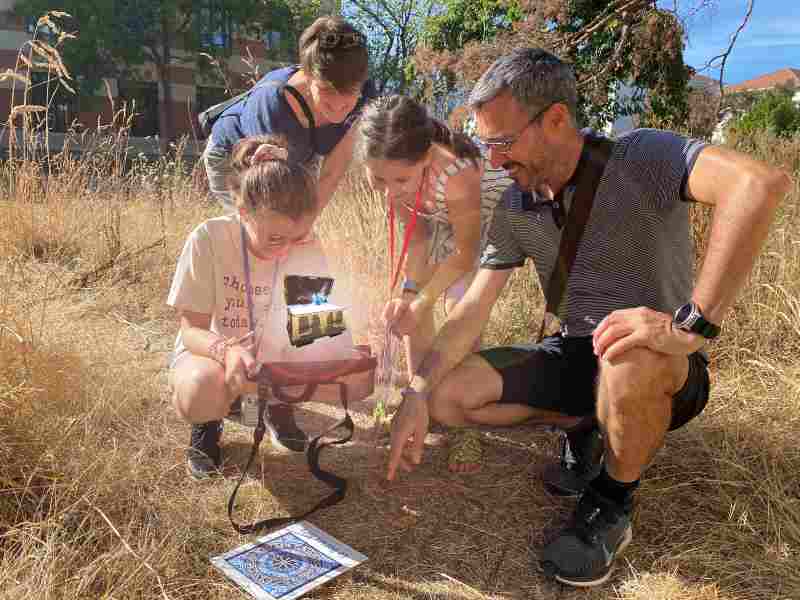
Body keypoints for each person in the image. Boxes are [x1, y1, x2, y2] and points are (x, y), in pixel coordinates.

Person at [385, 48, 790, 587]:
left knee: (625, 350)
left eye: (504, 143)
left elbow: (757, 185)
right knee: (447, 396)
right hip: (576, 350)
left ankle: (611, 502)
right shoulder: (515, 207)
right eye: (488, 145)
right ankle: (587, 426)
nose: (496, 160)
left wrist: (688, 325)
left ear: (555, 119)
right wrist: (414, 392)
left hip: (659, 361)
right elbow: (473, 307)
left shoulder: (641, 155)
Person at [168, 135, 355, 479]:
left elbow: (316, 324)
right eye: (275, 239)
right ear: (244, 213)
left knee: (315, 354)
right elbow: (191, 331)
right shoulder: (209, 238)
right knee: (199, 389)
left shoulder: (306, 246)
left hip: (272, 360)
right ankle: (208, 425)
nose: (285, 250)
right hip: (214, 358)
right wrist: (227, 352)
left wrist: (338, 344)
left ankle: (276, 409)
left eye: (296, 237)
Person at [356, 96, 512, 470]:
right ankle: (419, 405)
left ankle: (467, 426)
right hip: (440, 219)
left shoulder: (457, 176)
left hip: (483, 220)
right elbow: (419, 236)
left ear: (425, 158)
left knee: (461, 308)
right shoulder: (388, 174)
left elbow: (465, 252)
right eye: (379, 179)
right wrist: (411, 295)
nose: (389, 190)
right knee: (413, 310)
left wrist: (423, 300)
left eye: (399, 180)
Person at [204, 16, 374, 212]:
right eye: (327, 91)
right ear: (308, 76)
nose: (338, 106)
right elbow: (266, 187)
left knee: (298, 226)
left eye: (350, 93)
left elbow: (332, 172)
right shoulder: (271, 103)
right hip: (237, 158)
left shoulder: (365, 94)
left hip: (300, 155)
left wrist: (307, 222)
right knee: (258, 228)